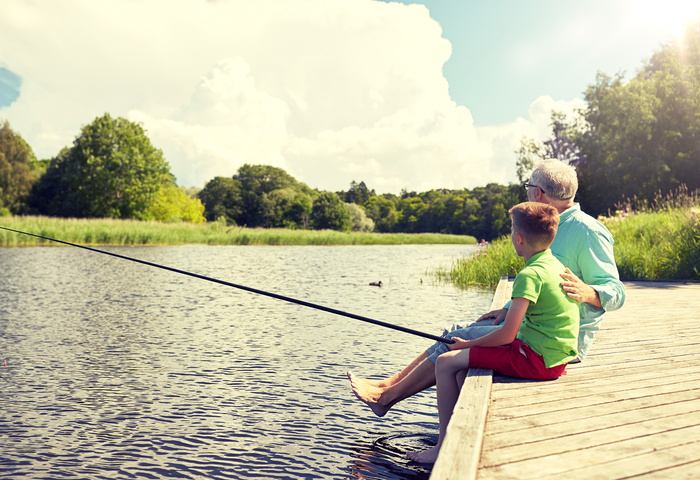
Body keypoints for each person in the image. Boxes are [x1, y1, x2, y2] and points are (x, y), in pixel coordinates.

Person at [347, 159, 625, 417]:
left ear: (537, 193)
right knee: (454, 330)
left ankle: (386, 398)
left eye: (528, 187)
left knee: (460, 337)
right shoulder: (546, 225)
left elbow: (617, 292)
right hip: (532, 328)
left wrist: (588, 292)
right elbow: (542, 285)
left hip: (556, 342)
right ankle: (388, 385)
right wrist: (506, 309)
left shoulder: (588, 231)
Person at [406, 201, 579, 464]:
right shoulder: (555, 265)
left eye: (511, 229)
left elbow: (506, 336)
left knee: (444, 362)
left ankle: (442, 447)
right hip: (554, 358)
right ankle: (458, 432)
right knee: (462, 370)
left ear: (518, 238)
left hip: (536, 360)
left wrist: (466, 344)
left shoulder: (529, 275)